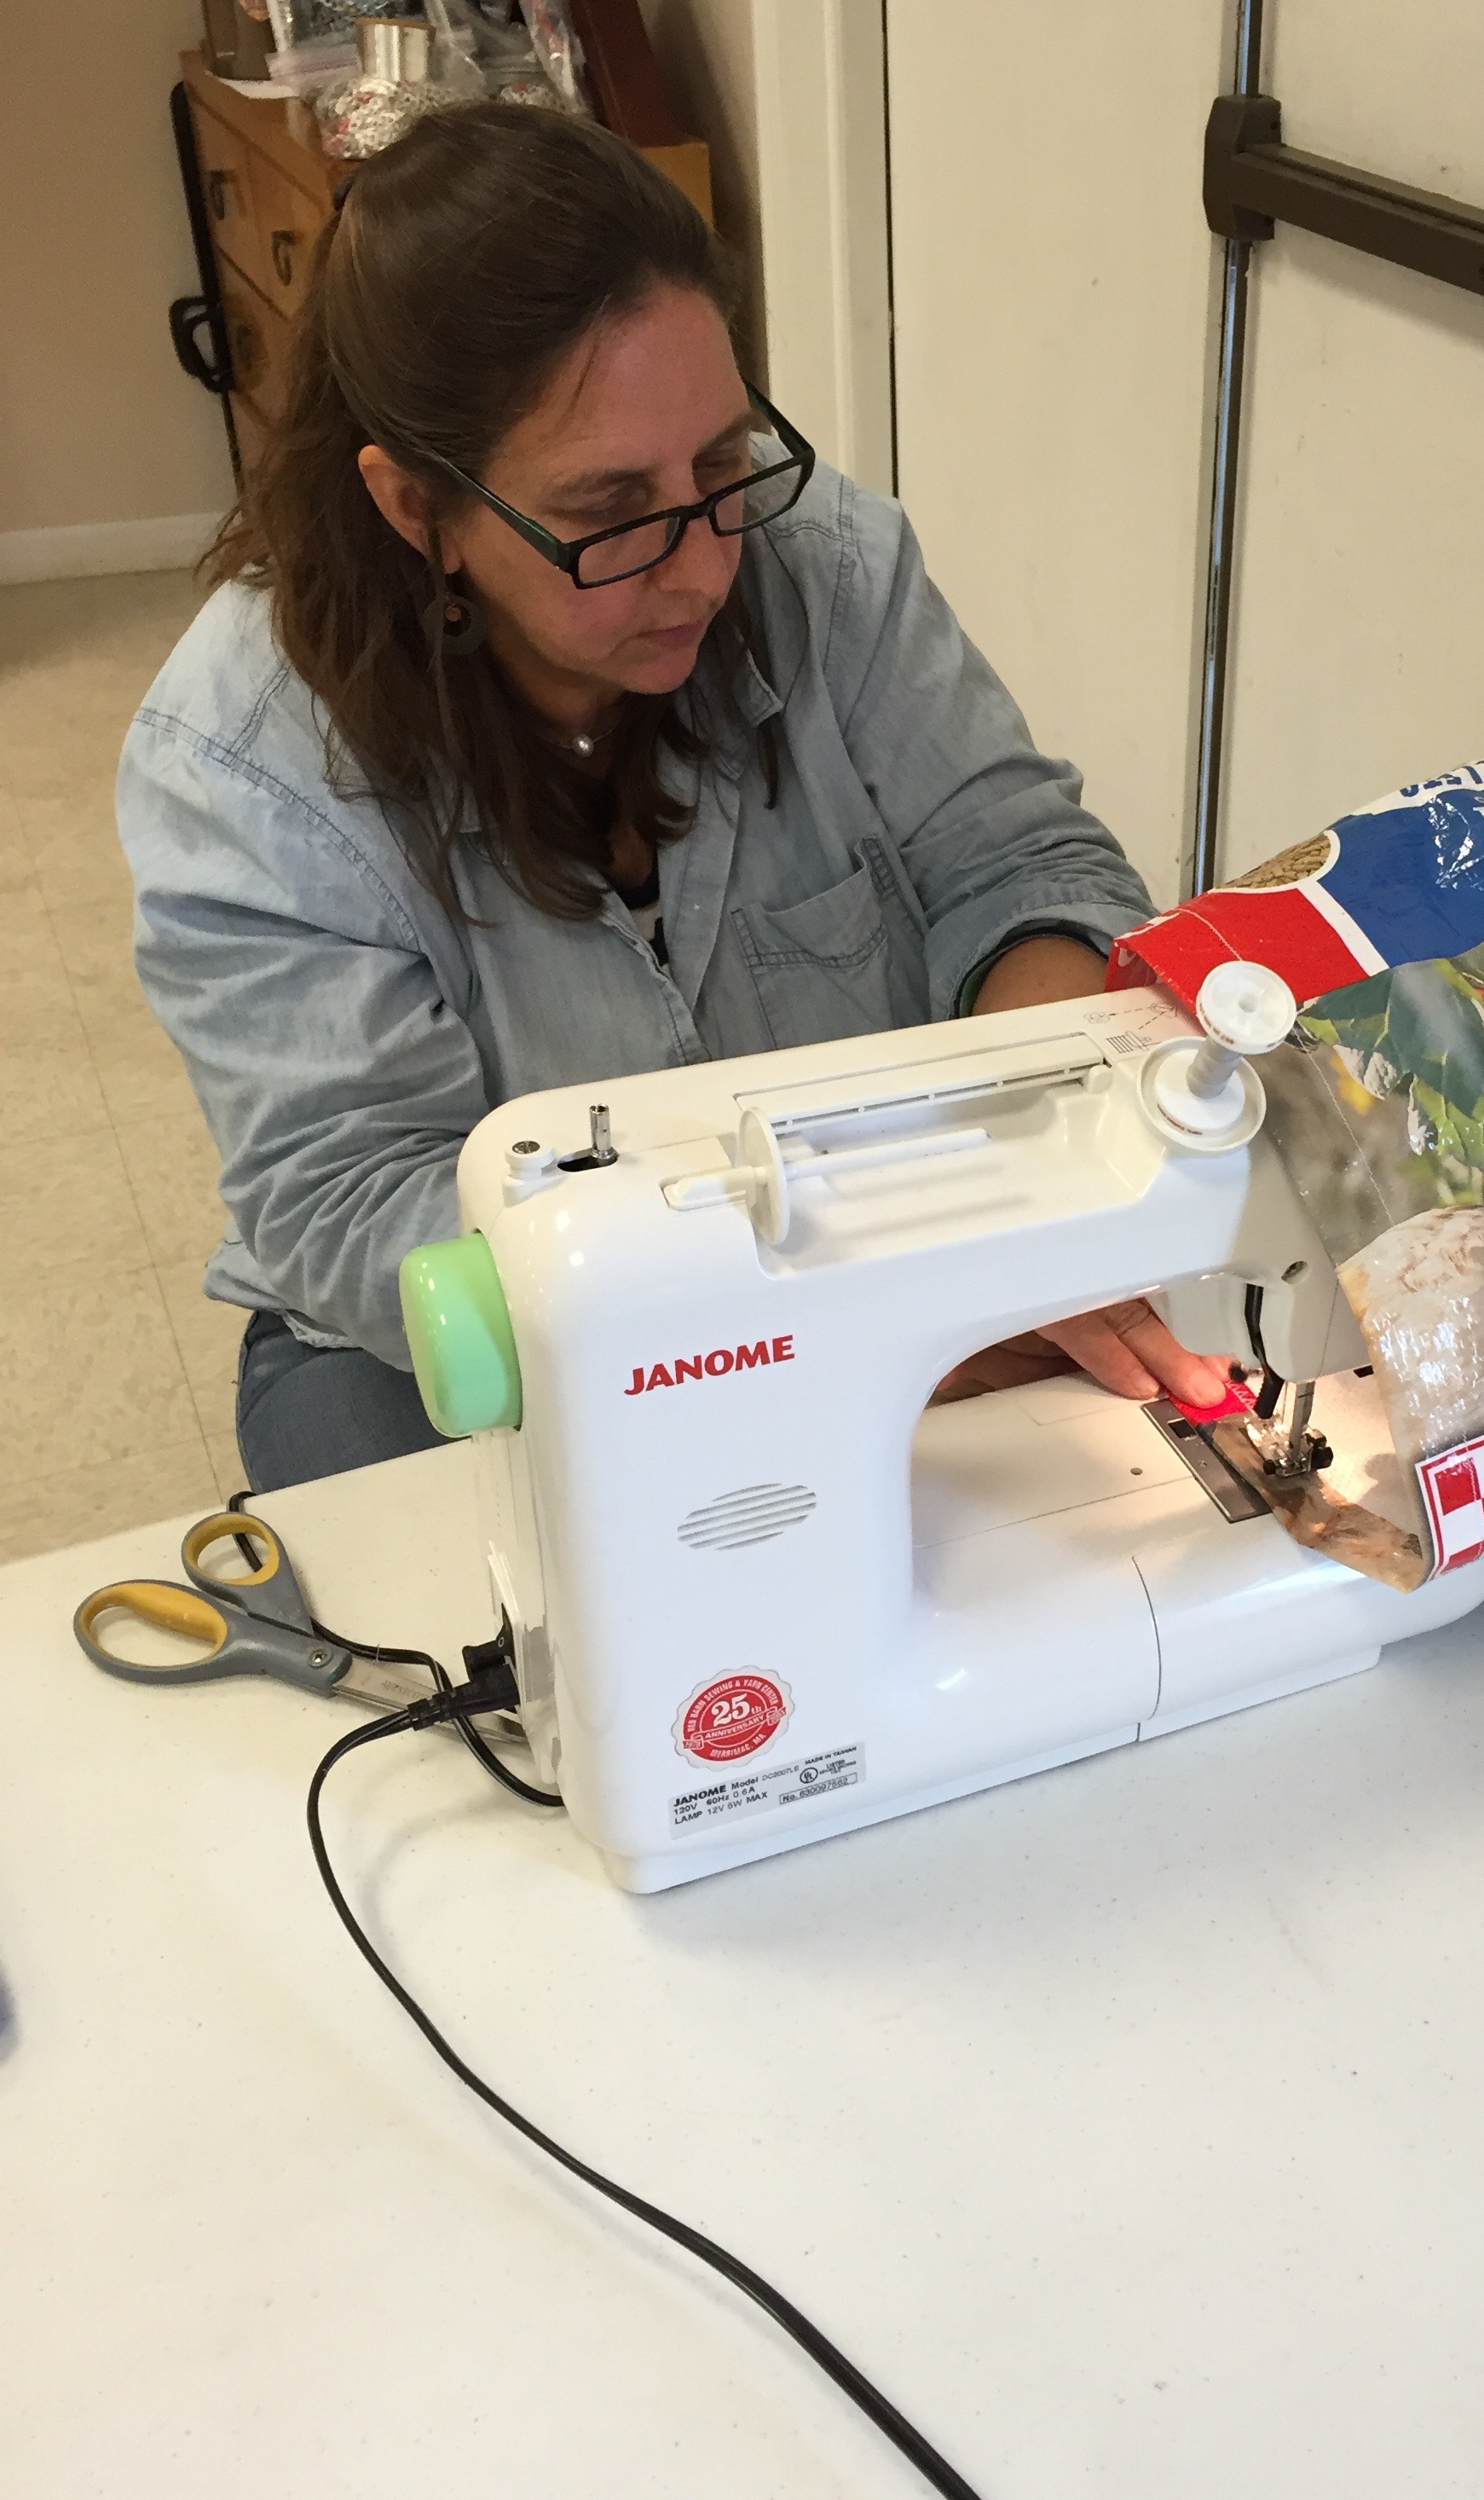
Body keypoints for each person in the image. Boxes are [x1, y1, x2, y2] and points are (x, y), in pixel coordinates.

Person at [118, 105, 1229, 1489]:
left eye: (718, 464)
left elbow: (1023, 871)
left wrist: (1035, 1192)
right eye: (610, 511)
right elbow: (354, 1206)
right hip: (462, 1343)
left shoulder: (827, 566)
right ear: (416, 509)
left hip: (913, 1263)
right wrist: (837, 1315)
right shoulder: (241, 764)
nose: (704, 564)